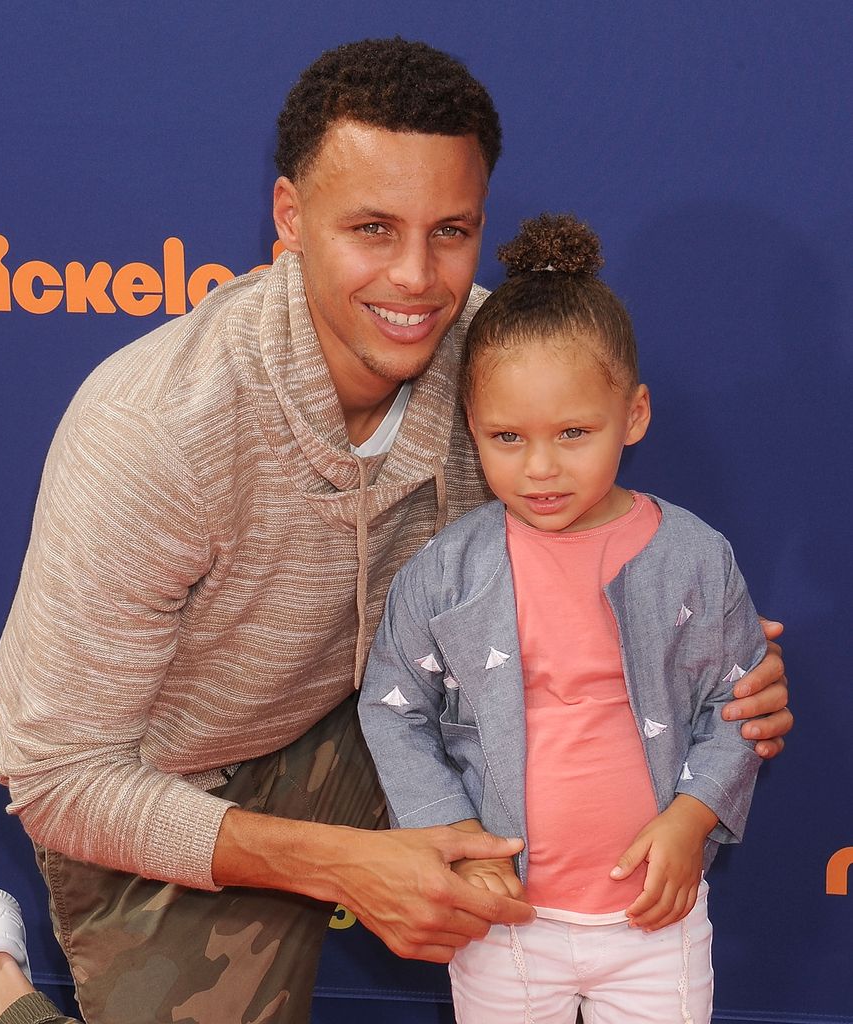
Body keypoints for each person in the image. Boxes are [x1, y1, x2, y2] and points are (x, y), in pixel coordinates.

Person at [0, 37, 787, 1024]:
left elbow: (613, 561)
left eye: (451, 231)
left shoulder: (504, 363)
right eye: (373, 228)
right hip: (179, 782)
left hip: (401, 707)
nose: (417, 280)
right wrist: (344, 865)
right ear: (289, 219)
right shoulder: (155, 428)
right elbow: (59, 778)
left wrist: (706, 667)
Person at [358, 213, 771, 1022]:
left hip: (655, 920)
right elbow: (391, 707)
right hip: (503, 919)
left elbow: (740, 703)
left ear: (634, 415)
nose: (539, 468)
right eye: (505, 437)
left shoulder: (693, 555)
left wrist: (691, 820)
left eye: (573, 433)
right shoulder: (445, 572)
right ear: (469, 430)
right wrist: (452, 838)